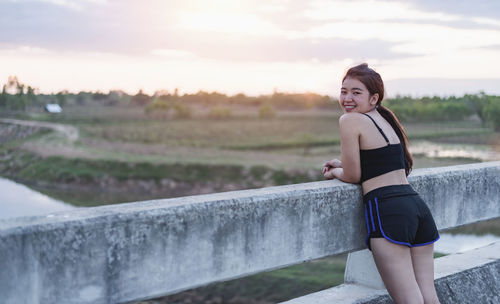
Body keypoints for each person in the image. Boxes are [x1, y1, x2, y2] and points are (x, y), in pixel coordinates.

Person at [322, 63, 440, 304]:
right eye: (344, 91)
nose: (347, 98)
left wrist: (335, 173)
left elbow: (354, 175)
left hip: (389, 212)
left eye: (356, 92)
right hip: (416, 208)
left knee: (410, 300)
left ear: (374, 98)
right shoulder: (385, 120)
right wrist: (341, 164)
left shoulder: (350, 120)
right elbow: (377, 163)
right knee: (429, 297)